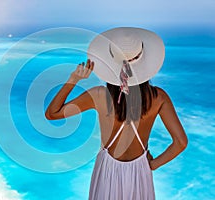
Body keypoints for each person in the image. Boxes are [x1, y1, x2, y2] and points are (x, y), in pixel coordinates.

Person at [45, 27, 187, 200]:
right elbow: (180, 142)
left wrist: (73, 79)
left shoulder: (99, 95)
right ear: (144, 62)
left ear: (110, 63)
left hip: (107, 172)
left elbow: (52, 114)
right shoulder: (158, 97)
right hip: (139, 172)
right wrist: (153, 164)